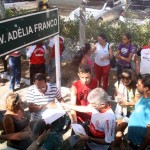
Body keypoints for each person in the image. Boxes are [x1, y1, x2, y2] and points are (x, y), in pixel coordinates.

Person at [111, 69, 141, 149]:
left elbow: (136, 102)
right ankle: (121, 142)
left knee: (121, 128)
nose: (124, 83)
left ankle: (114, 145)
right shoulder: (118, 83)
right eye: (123, 81)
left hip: (130, 112)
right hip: (120, 109)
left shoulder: (136, 88)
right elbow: (115, 94)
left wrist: (126, 103)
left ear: (131, 79)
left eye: (127, 82)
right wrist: (116, 98)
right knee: (119, 127)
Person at [128, 74, 150, 150]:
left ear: (146, 88)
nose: (136, 84)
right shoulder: (143, 96)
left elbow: (149, 134)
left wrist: (141, 148)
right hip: (132, 140)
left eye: (139, 85)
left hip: (139, 145)